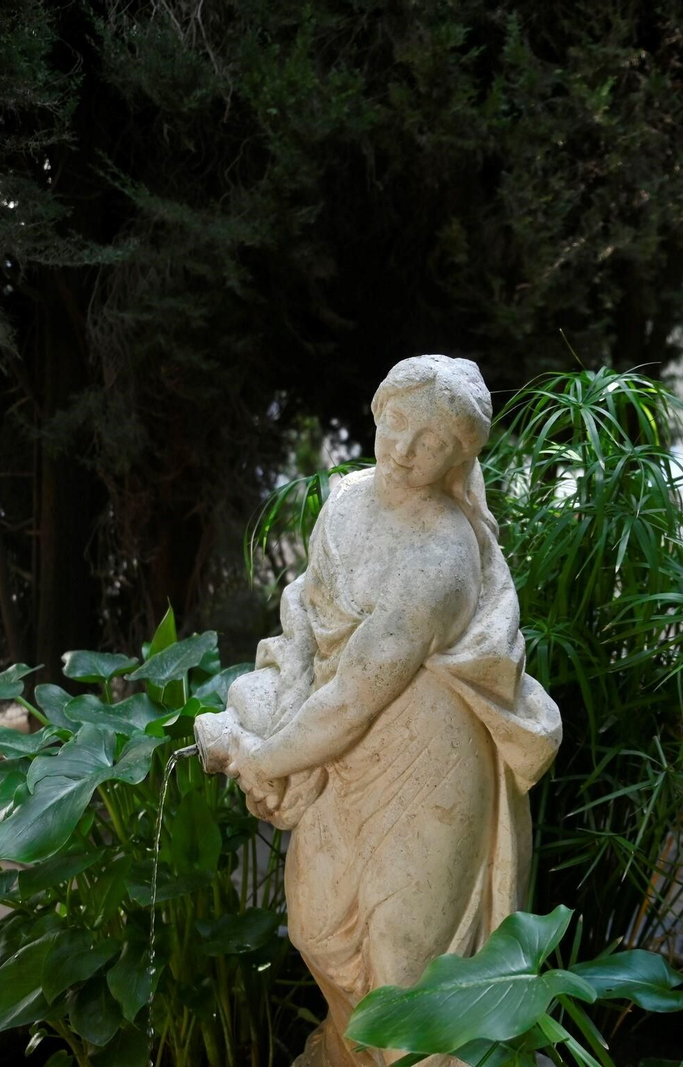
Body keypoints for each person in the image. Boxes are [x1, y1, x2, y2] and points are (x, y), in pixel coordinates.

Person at [194, 355, 562, 1067]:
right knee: (318, 923)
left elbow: (358, 689)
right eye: (397, 423)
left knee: (406, 959)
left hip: (427, 763)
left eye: (431, 443)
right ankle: (350, 1050)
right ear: (377, 410)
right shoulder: (348, 498)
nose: (402, 448)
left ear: (458, 457)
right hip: (342, 749)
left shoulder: (443, 555)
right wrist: (278, 703)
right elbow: (306, 606)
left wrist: (264, 758)